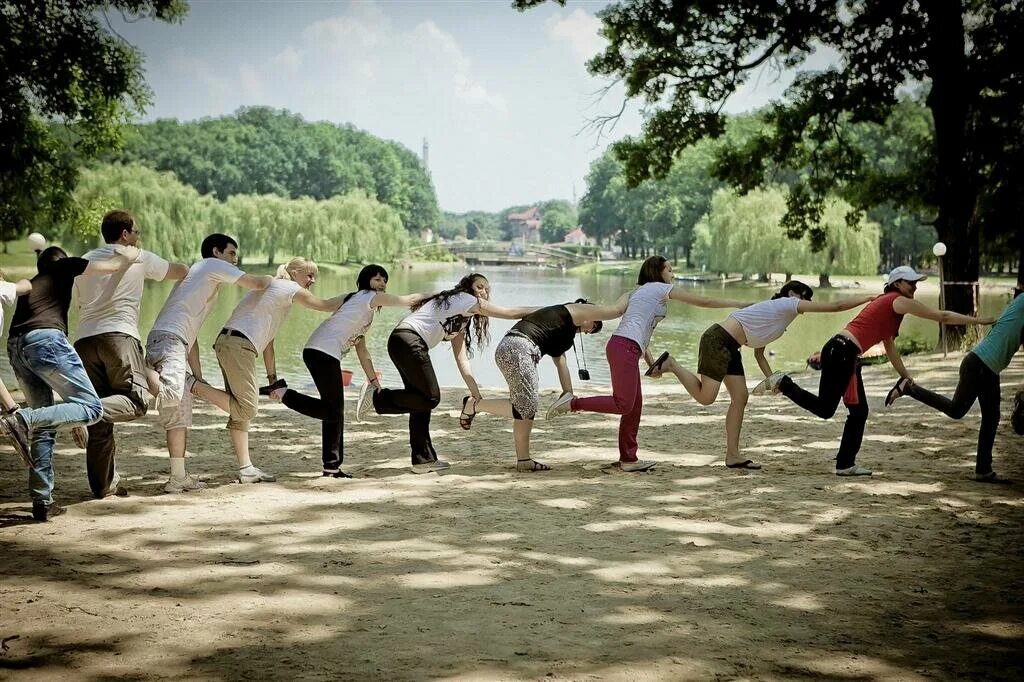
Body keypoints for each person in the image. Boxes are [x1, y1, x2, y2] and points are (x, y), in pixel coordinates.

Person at [770, 266, 994, 476]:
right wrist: (980, 321)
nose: (914, 287)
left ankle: (844, 462)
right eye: (910, 283)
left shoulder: (889, 306)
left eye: (916, 284)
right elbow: (943, 317)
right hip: (843, 352)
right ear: (897, 284)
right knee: (840, 410)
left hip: (842, 351)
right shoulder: (898, 300)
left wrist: (905, 376)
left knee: (844, 411)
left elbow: (890, 348)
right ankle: (786, 385)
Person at [548, 255, 749, 472]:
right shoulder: (661, 289)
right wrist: (739, 303)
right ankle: (572, 404)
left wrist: (650, 361)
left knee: (633, 407)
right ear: (657, 272)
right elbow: (704, 302)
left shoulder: (634, 293)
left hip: (623, 346)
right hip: (624, 347)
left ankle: (628, 459)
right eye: (669, 270)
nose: (673, 274)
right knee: (624, 404)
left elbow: (639, 327)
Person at [649, 281, 874, 469]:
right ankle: (672, 365)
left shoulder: (777, 317)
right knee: (706, 397)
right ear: (794, 294)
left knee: (740, 398)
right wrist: (867, 299)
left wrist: (772, 379)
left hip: (730, 347)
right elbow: (836, 306)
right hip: (718, 341)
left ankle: (732, 455)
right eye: (807, 297)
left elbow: (759, 355)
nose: (809, 303)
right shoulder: (786, 304)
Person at [0, 245, 143, 521]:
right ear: (62, 261)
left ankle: (42, 501)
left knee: (46, 426)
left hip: (17, 347)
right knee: (91, 408)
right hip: (46, 340)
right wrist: (130, 256)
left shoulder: (34, 283)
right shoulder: (63, 267)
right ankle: (21, 419)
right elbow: (113, 265)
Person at [185, 257, 341, 483]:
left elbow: (268, 343)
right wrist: (356, 298)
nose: (312, 280)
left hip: (230, 342)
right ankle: (192, 385)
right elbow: (323, 306)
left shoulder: (275, 290)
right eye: (309, 275)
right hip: (239, 345)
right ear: (295, 272)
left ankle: (246, 469)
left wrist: (273, 379)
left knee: (240, 410)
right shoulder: (288, 287)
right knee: (247, 407)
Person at [73, 210, 189, 498]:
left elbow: (77, 301)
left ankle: (103, 487)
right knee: (136, 402)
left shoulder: (86, 258)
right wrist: (189, 269)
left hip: (85, 340)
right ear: (125, 234)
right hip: (119, 338)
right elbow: (177, 271)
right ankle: (79, 413)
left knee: (101, 424)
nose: (139, 236)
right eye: (136, 231)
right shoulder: (136, 255)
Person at [369, 273, 536, 474]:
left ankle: (423, 460)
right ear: (469, 287)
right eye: (480, 286)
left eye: (486, 289)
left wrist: (476, 394)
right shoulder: (465, 299)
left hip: (401, 342)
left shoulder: (461, 319)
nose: (484, 292)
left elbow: (462, 359)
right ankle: (377, 399)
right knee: (430, 397)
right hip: (409, 340)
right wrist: (548, 311)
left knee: (420, 402)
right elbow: (509, 312)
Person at [271, 264, 426, 478]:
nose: (381, 283)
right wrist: (441, 295)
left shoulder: (359, 306)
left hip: (320, 351)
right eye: (377, 279)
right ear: (366, 281)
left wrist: (374, 381)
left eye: (384, 280)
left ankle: (331, 467)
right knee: (333, 411)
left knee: (333, 411)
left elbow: (363, 351)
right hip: (322, 352)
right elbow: (407, 300)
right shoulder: (368, 296)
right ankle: (284, 394)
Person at [145, 234, 272, 493]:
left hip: (174, 342)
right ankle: (138, 366)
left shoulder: (200, 279)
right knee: (172, 394)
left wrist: (198, 377)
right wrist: (274, 279)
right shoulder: (210, 266)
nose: (235, 259)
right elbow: (257, 284)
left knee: (179, 415)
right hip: (170, 342)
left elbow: (190, 338)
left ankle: (177, 478)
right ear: (217, 252)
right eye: (232, 254)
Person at [460, 297, 627, 471]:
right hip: (520, 349)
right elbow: (613, 311)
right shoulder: (571, 311)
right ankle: (475, 405)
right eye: (594, 325)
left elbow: (561, 363)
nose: (589, 330)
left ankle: (524, 460)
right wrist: (629, 300)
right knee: (525, 407)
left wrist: (568, 394)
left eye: (592, 331)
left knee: (525, 407)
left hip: (510, 348)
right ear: (588, 312)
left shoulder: (561, 329)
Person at [886, 290, 1022, 481]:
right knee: (957, 410)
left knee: (991, 417)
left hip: (987, 366)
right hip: (980, 364)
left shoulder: (1020, 301)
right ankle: (909, 388)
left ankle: (983, 470)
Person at [0, 271, 32, 415]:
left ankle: (13, 410)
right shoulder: (2, 287)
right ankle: (14, 412)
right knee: (12, 409)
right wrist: (26, 279)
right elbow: (26, 287)